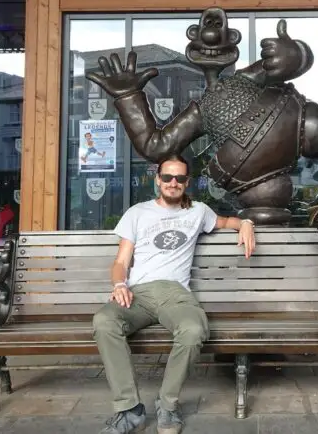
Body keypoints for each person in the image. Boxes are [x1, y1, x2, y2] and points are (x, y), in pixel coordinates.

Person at [93, 155, 257, 434]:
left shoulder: (198, 212)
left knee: (193, 329)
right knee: (104, 322)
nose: (173, 183)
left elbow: (227, 221)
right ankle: (129, 408)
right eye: (167, 177)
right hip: (138, 294)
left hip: (175, 295)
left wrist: (246, 223)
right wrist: (119, 285)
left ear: (187, 182)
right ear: (157, 180)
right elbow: (120, 262)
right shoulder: (138, 213)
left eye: (179, 178)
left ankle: (167, 405)